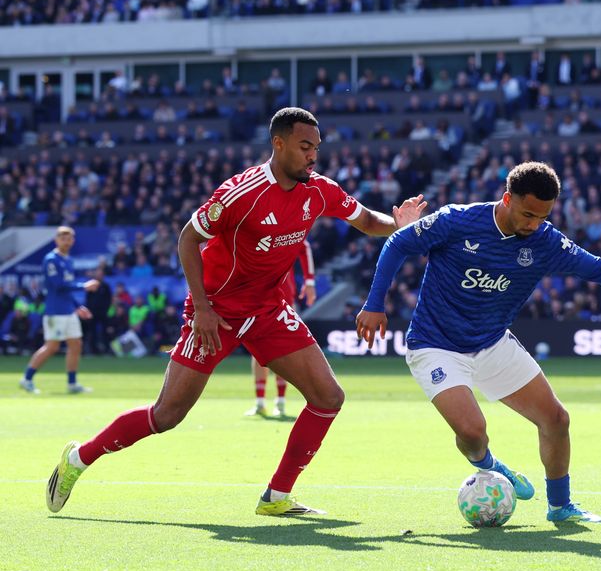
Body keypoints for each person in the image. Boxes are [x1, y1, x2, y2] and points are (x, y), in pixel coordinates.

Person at [45, 107, 427, 516]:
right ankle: (78, 459)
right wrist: (204, 310)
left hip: (266, 310)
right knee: (168, 414)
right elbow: (187, 240)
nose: (313, 156)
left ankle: (277, 496)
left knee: (328, 396)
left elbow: (367, 221)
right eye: (304, 147)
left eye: (316, 147)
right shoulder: (240, 193)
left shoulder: (319, 190)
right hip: (216, 314)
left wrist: (398, 223)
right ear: (278, 144)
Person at [356, 162, 601, 523]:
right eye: (527, 214)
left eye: (543, 216)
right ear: (507, 199)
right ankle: (491, 466)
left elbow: (597, 267)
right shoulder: (458, 221)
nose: (534, 224)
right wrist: (374, 303)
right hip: (435, 345)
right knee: (473, 432)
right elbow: (398, 242)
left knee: (556, 419)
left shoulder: (545, 241)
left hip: (492, 344)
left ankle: (560, 506)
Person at [19, 226, 100, 395]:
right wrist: (83, 286)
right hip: (55, 312)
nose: (66, 241)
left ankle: (72, 384)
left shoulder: (68, 261)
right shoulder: (51, 260)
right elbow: (58, 285)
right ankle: (26, 379)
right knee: (52, 347)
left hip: (68, 311)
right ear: (56, 240)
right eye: (63, 238)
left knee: (76, 344)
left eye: (69, 238)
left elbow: (67, 289)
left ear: (73, 241)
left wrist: (78, 307)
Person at [245, 240, 316, 418]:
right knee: (257, 348)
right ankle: (260, 402)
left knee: (280, 349)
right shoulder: (254, 229)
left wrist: (309, 281)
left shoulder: (283, 228)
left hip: (281, 295)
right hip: (255, 295)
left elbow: (304, 246)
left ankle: (280, 401)